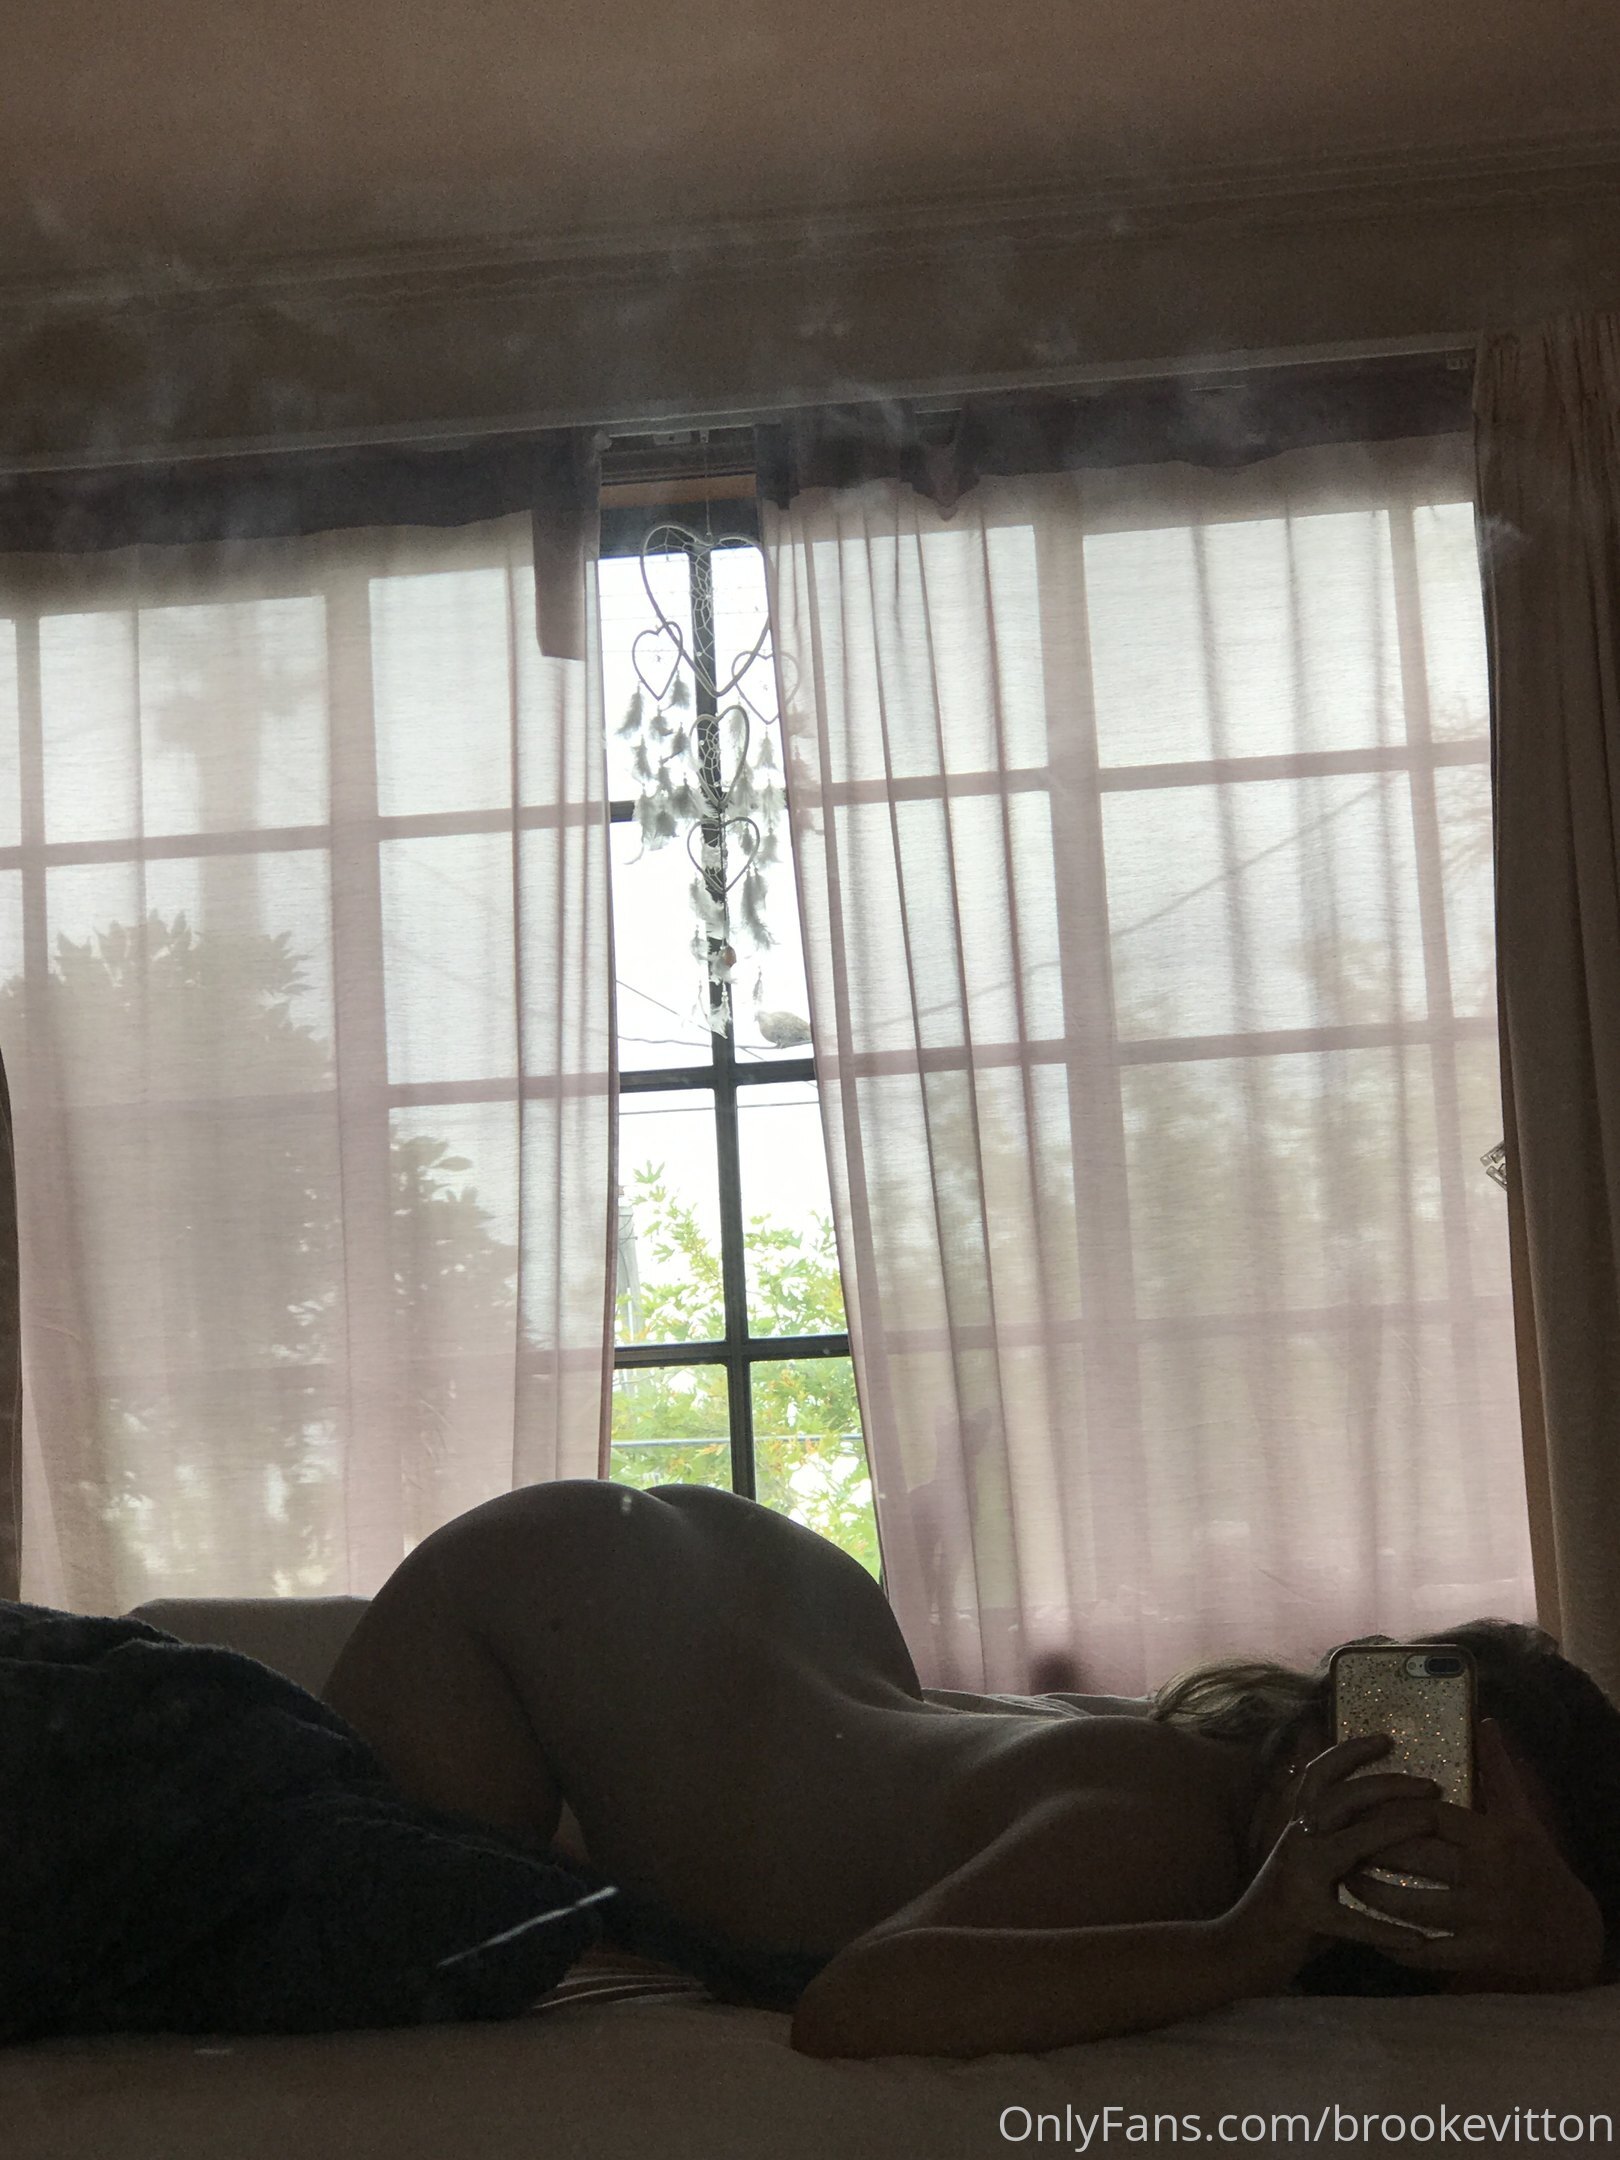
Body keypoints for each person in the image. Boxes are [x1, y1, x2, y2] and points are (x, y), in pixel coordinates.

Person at [320, 1479, 1620, 2059]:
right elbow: (854, 2006)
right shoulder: (1163, 1839)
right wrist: (1251, 1941)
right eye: (1415, 1764)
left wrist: (1565, 1945)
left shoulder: (1187, 1777)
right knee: (432, 1933)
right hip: (523, 1603)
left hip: (758, 1586)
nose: (1405, 1816)